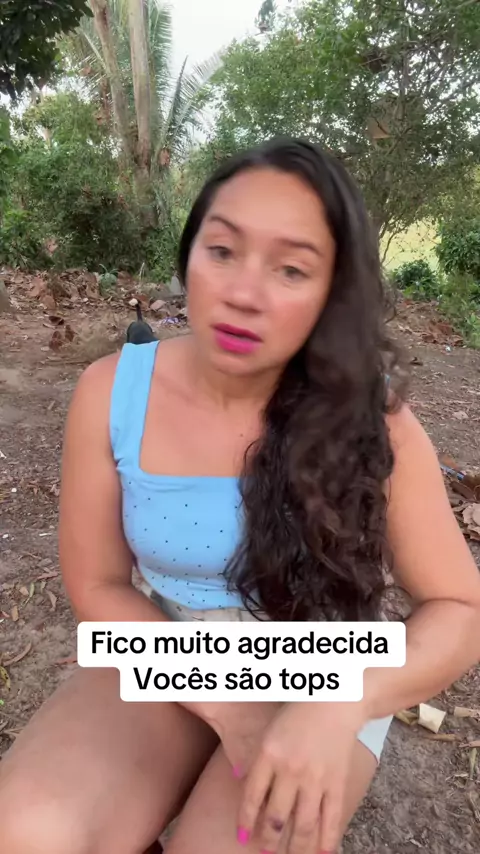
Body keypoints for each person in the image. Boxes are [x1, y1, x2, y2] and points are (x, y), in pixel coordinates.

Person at [0, 138, 479, 854]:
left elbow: (460, 609)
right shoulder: (112, 391)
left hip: (323, 669)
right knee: (29, 832)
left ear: (330, 295)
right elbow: (98, 584)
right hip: (167, 643)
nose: (243, 293)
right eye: (222, 251)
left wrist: (344, 702)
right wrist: (227, 705)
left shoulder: (372, 422)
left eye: (291, 269)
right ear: (189, 255)